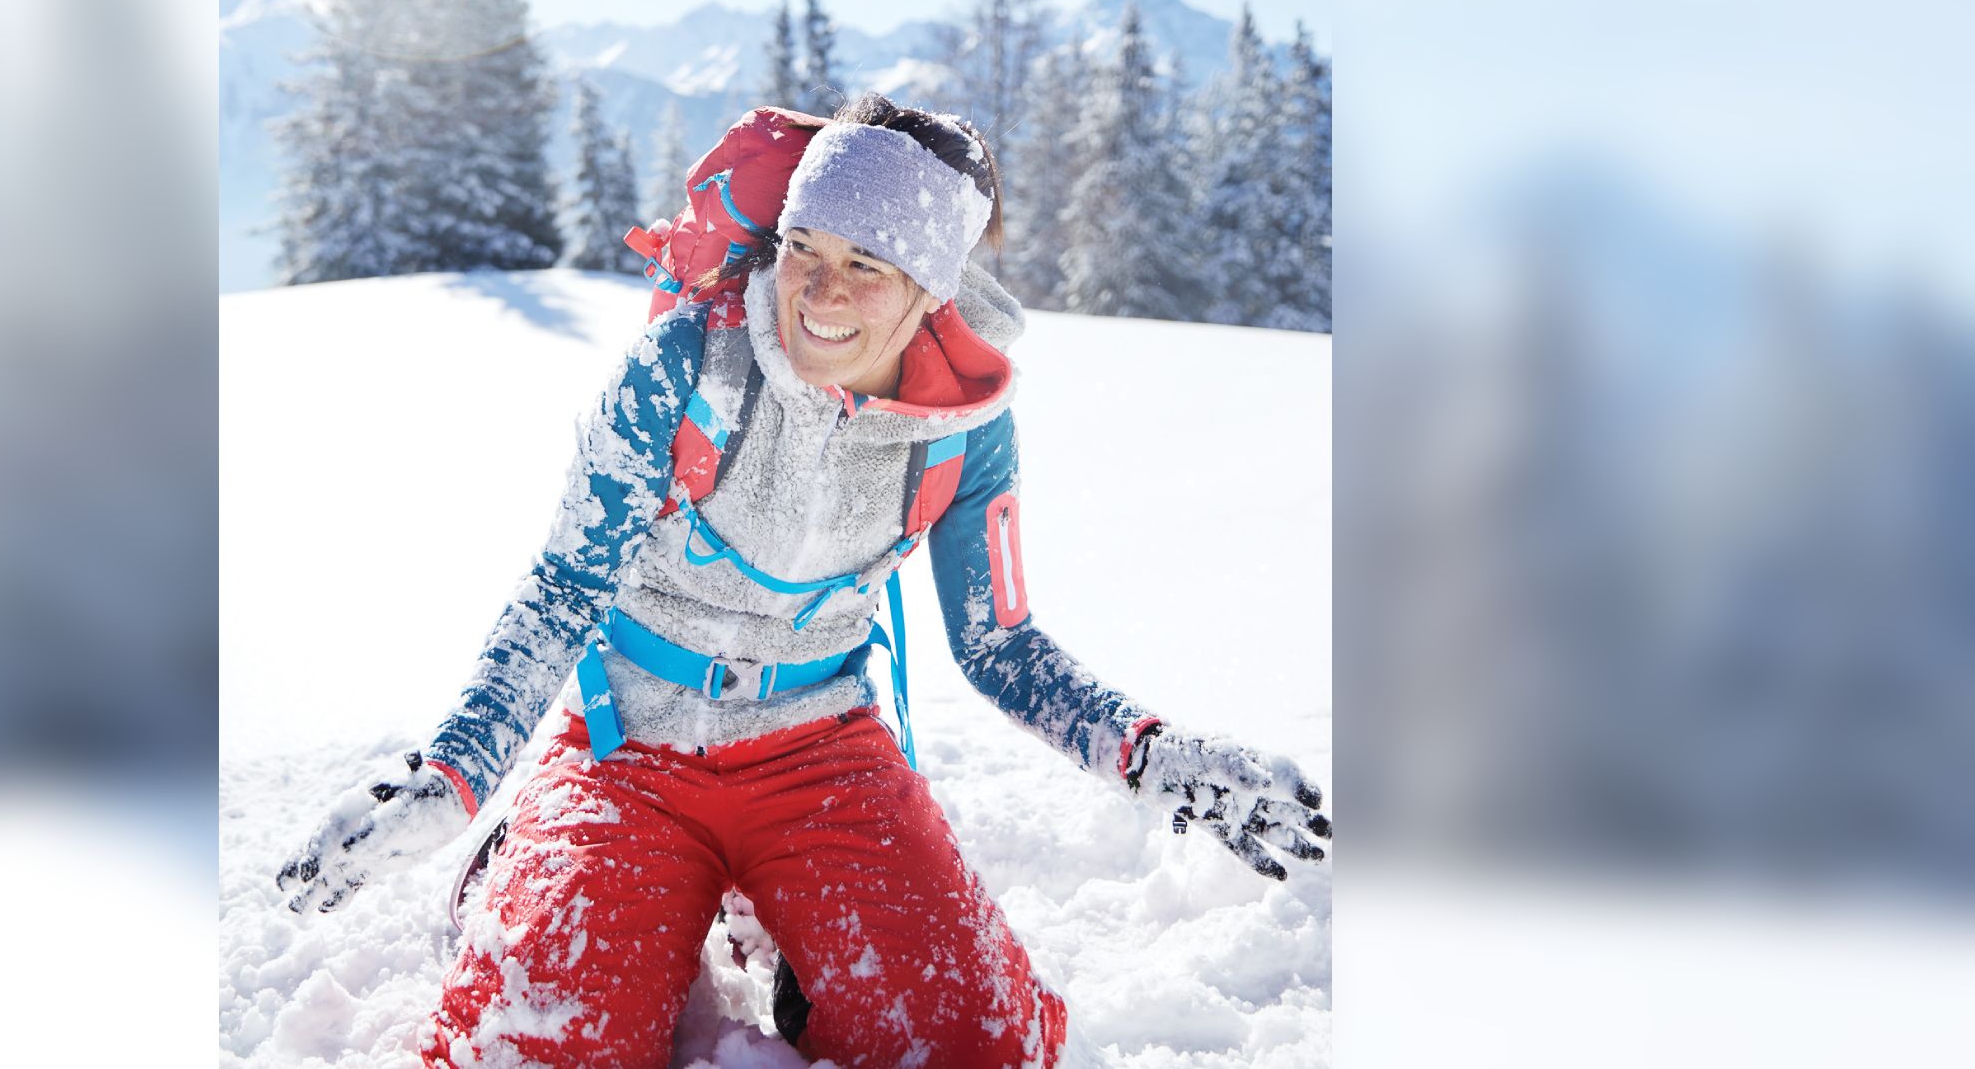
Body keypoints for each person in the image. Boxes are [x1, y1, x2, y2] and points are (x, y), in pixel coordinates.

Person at [275, 94, 1330, 1068]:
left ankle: (788, 930)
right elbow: (562, 592)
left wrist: (1148, 754)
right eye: (801, 248)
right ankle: (526, 858)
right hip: (627, 743)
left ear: (933, 288)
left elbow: (1000, 644)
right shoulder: (687, 365)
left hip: (820, 749)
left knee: (976, 1040)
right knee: (542, 1043)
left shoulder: (966, 428)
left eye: (866, 265)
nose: (817, 293)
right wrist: (448, 781)